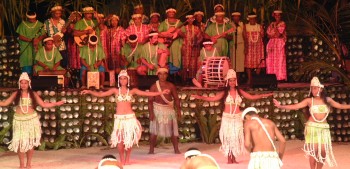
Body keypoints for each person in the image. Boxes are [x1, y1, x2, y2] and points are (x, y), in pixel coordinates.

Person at [81, 70, 170, 165]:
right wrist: (89, 91)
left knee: (128, 140)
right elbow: (100, 94)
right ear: (119, 80)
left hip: (130, 118)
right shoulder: (115, 91)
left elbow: (146, 93)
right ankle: (122, 160)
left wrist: (161, 93)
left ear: (128, 80)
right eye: (121, 79)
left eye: (125, 79)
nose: (123, 80)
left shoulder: (132, 91)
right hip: (119, 119)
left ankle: (127, 160)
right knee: (120, 141)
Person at [191, 69, 273, 164]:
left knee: (235, 138)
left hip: (237, 117)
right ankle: (229, 159)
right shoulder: (225, 93)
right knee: (229, 138)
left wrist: (265, 95)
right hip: (227, 118)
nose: (232, 82)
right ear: (228, 82)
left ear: (236, 81)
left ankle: (233, 158)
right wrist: (200, 97)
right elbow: (213, 98)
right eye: (230, 80)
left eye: (234, 80)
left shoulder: (239, 91)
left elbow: (251, 97)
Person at [273, 77, 347, 168]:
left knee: (323, 151)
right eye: (312, 88)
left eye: (315, 88)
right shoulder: (309, 101)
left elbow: (340, 106)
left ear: (321, 89)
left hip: (324, 129)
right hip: (312, 128)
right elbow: (296, 106)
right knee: (314, 151)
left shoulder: (327, 100)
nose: (313, 90)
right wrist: (280, 106)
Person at [0, 72, 64, 169]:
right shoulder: (16, 94)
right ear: (19, 83)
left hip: (31, 120)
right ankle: (22, 165)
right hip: (19, 121)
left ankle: (28, 164)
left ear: (29, 83)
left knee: (30, 143)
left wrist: (56, 103)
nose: (23, 85)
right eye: (22, 83)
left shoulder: (33, 94)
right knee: (20, 143)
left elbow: (43, 104)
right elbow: (5, 103)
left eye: (25, 83)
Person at [148, 68, 181, 154]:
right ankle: (151, 150)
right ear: (157, 75)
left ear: (167, 75)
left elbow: (176, 99)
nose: (162, 76)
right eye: (160, 74)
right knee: (154, 131)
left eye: (164, 74)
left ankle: (176, 150)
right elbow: (150, 101)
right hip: (157, 110)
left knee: (173, 131)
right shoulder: (154, 86)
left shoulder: (171, 86)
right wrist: (151, 113)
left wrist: (179, 111)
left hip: (169, 110)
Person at [17, 11, 46, 76]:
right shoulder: (23, 24)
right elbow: (20, 36)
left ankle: (37, 81)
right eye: (30, 19)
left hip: (37, 46)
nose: (32, 20)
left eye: (33, 19)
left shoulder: (40, 24)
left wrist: (38, 39)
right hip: (26, 47)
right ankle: (26, 80)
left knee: (38, 60)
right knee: (26, 61)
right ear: (27, 18)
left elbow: (44, 35)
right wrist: (30, 40)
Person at [158, 7, 185, 75]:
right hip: (166, 43)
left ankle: (176, 73)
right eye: (170, 12)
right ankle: (166, 72)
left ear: (175, 13)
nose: (171, 13)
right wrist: (166, 35)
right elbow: (158, 34)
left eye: (173, 12)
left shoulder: (180, 23)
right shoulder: (163, 23)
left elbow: (184, 35)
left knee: (176, 48)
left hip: (177, 43)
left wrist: (179, 32)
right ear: (167, 13)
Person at [244, 12, 265, 85]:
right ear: (248, 19)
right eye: (250, 19)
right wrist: (246, 47)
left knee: (259, 64)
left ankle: (256, 79)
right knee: (248, 64)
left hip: (258, 48)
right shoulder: (245, 26)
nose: (252, 20)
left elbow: (262, 36)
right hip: (249, 47)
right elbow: (244, 37)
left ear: (256, 19)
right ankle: (250, 79)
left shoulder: (259, 26)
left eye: (253, 19)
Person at [266, 10, 287, 81]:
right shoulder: (272, 23)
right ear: (274, 16)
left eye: (279, 15)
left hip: (279, 43)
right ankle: (272, 76)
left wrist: (274, 28)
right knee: (271, 60)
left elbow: (279, 34)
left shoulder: (282, 23)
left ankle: (280, 77)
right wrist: (273, 34)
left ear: (281, 16)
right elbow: (268, 35)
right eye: (276, 15)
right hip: (271, 43)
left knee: (280, 60)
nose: (277, 17)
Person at [181, 15, 202, 82]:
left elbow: (200, 37)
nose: (190, 20)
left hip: (194, 49)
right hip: (185, 48)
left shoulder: (196, 28)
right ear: (187, 20)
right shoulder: (183, 28)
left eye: (192, 19)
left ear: (193, 20)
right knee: (185, 64)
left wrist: (196, 43)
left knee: (193, 64)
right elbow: (179, 37)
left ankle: (192, 80)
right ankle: (184, 80)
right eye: (189, 19)